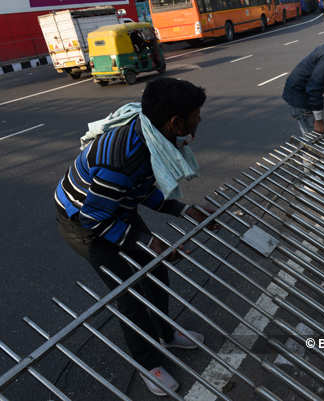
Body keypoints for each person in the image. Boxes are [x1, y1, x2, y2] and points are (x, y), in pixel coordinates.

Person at [55, 78, 212, 397]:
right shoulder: (122, 160)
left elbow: (141, 190)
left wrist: (184, 211)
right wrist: (147, 243)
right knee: (130, 292)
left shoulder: (151, 137)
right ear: (175, 122)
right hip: (84, 222)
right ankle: (148, 363)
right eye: (196, 115)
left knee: (156, 271)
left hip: (114, 208)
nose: (200, 121)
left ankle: (165, 334)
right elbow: (94, 219)